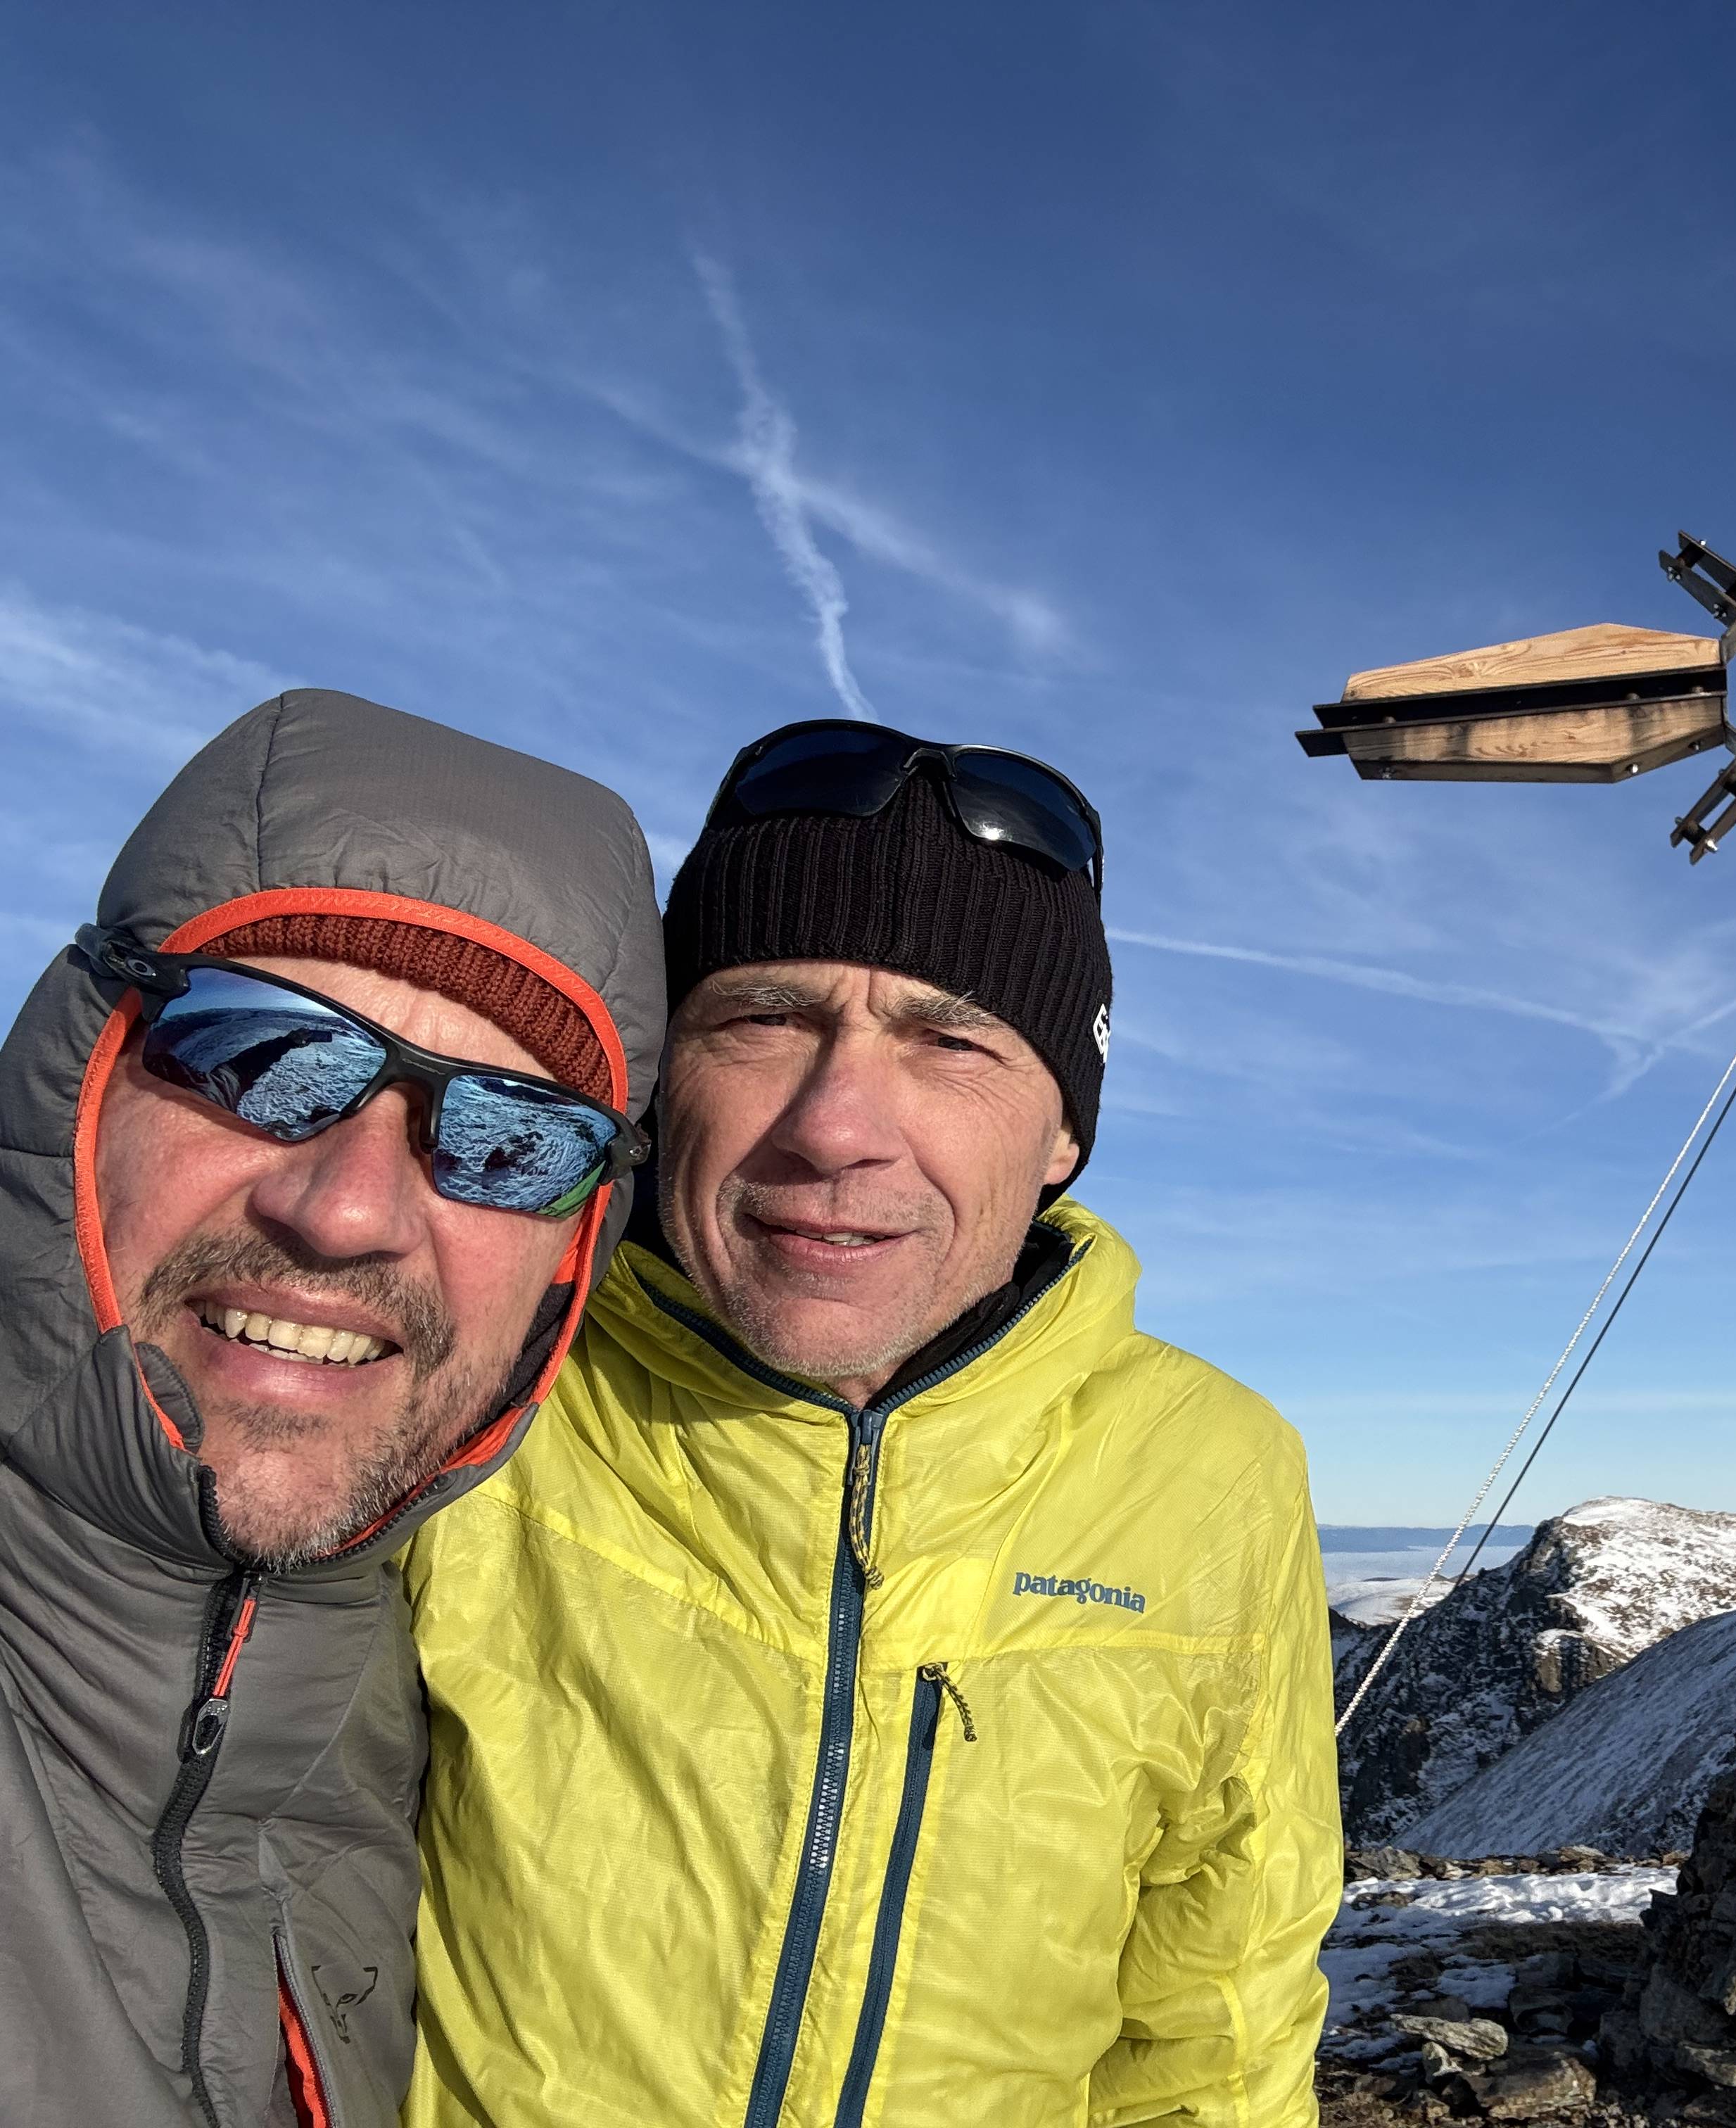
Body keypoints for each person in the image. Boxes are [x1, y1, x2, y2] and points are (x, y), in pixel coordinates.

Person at [405, 720, 1342, 2127]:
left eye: (951, 1041)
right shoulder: (486, 1371)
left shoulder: (1215, 1471)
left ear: (1064, 1135)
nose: (836, 1125)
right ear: (661, 1078)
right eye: (765, 1018)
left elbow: (1216, 2028)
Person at [0, 690, 666, 2128]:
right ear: (80, 1081)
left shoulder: (416, 1733)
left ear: (572, 1257)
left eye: (511, 1140)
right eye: (257, 1054)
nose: (349, 1210)